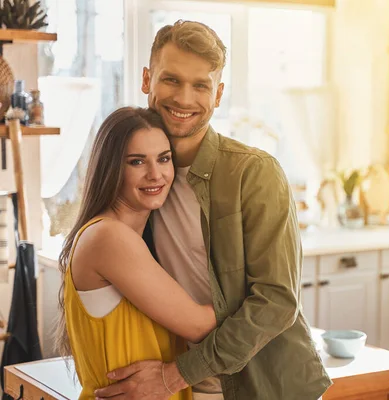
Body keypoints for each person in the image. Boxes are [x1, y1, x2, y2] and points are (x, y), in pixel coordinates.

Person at [94, 20, 332, 400]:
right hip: (183, 386)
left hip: (264, 387)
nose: (185, 99)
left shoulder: (254, 173)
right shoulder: (141, 176)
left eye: (200, 85)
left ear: (218, 94)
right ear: (146, 79)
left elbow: (277, 301)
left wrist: (174, 376)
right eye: (171, 80)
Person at [55, 107, 218, 399]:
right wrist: (266, 298)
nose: (155, 174)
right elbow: (197, 326)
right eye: (137, 161)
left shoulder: (127, 238)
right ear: (111, 168)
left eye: (164, 159)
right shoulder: (109, 237)